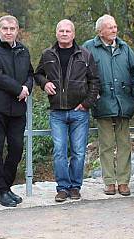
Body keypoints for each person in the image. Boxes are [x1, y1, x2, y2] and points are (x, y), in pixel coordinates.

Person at [34, 19, 99, 202]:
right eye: (61, 31)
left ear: (73, 34)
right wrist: (44, 83)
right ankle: (62, 187)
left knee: (79, 152)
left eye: (67, 31)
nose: (64, 33)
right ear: (56, 33)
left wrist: (86, 103)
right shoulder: (48, 54)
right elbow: (37, 74)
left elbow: (94, 81)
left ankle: (75, 187)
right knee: (60, 151)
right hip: (57, 112)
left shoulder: (85, 55)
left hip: (79, 111)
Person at [82, 14, 134, 196]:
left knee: (124, 144)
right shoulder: (89, 47)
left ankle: (123, 182)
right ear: (100, 31)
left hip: (124, 102)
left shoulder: (124, 47)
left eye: (115, 27)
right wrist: (91, 95)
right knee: (105, 144)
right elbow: (81, 74)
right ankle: (109, 182)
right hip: (102, 102)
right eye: (110, 27)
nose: (114, 30)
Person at [0, 15, 34, 207]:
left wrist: (27, 87)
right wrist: (18, 89)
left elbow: (30, 73)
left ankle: (6, 186)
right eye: (5, 29)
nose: (9, 32)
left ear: (17, 30)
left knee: (17, 148)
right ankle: (1, 191)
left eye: (12, 29)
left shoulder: (23, 50)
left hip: (18, 109)